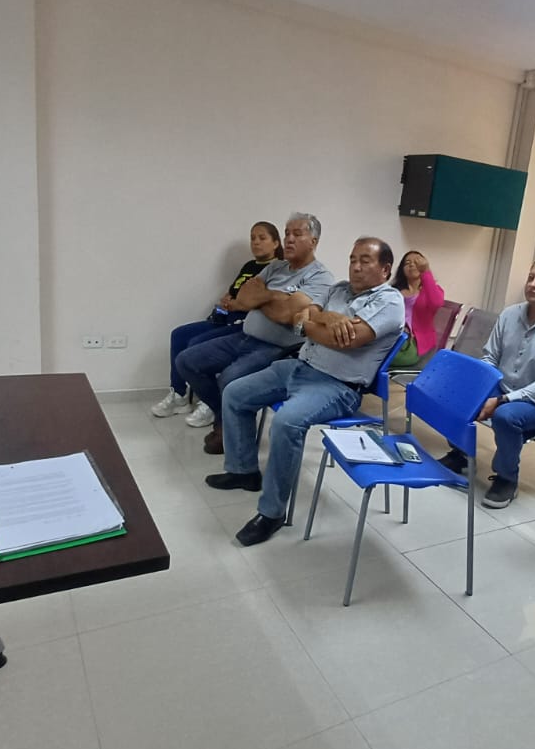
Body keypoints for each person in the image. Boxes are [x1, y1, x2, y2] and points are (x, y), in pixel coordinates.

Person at [203, 237, 405, 547]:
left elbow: (346, 340)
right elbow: (300, 318)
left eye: (365, 261)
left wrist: (313, 321)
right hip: (300, 367)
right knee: (234, 393)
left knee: (287, 423)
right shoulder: (338, 289)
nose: (355, 266)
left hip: (337, 386)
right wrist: (328, 318)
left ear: (385, 269)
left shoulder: (389, 301)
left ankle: (272, 513)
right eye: (352, 259)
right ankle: (243, 471)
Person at [176, 213, 334, 454]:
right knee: (186, 361)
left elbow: (287, 314)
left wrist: (263, 297)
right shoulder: (275, 267)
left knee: (229, 379)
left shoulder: (320, 277)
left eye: (297, 234)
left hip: (278, 348)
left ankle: (231, 434)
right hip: (244, 336)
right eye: (287, 233)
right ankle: (223, 419)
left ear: (314, 241)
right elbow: (243, 298)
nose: (289, 239)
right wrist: (277, 296)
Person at [437, 256, 535, 510]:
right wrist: (482, 388)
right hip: (504, 389)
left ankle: (507, 478)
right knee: (458, 392)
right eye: (531, 277)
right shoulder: (510, 314)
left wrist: (501, 400)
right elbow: (490, 357)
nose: (533, 284)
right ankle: (460, 454)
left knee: (506, 415)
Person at [151, 221, 283, 425]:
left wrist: (236, 304)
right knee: (179, 334)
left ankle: (210, 403)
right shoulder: (249, 266)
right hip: (225, 317)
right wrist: (226, 301)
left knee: (196, 343)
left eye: (262, 238)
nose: (256, 242)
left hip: (244, 324)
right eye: (252, 238)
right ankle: (179, 395)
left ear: (275, 243)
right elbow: (232, 292)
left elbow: (259, 303)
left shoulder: (276, 269)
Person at [391, 250, 446, 367]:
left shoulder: (432, 290)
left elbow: (437, 303)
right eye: (407, 263)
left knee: (373, 352)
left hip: (413, 344)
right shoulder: (394, 290)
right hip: (394, 337)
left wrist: (426, 272)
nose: (411, 265)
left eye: (417, 262)